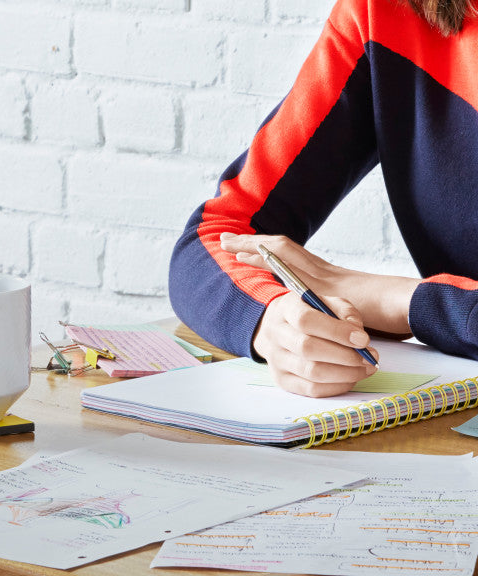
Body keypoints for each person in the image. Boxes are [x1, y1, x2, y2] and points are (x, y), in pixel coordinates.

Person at [168, 0, 478, 397]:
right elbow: (217, 236)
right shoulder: (383, 13)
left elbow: (411, 305)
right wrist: (275, 321)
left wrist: (403, 301)